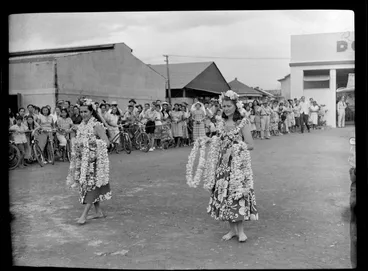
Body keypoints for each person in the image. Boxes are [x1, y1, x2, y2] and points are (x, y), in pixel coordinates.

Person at [206, 90, 258, 242]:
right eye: (224, 106)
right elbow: (218, 140)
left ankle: (241, 231)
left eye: (229, 105)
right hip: (223, 165)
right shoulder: (221, 123)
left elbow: (250, 145)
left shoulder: (243, 122)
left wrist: (234, 148)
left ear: (236, 106)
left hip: (237, 165)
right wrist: (210, 141)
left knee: (237, 195)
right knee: (225, 195)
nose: (226, 108)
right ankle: (232, 230)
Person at [66, 98, 111, 225]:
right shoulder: (81, 125)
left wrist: (90, 144)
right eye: (81, 112)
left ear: (91, 112)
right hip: (83, 162)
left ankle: (84, 215)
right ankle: (98, 212)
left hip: (95, 162)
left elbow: (107, 143)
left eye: (86, 111)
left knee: (91, 187)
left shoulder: (97, 125)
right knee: (88, 186)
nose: (83, 114)